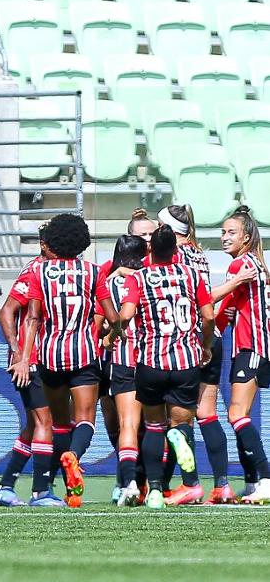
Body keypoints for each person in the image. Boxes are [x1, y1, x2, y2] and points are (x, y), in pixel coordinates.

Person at [9, 214, 121, 507]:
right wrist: (116, 331)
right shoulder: (93, 272)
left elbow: (33, 318)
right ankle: (73, 456)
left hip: (50, 357)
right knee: (84, 421)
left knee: (57, 423)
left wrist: (23, 357)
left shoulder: (40, 273)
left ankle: (48, 488)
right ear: (81, 240)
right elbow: (111, 315)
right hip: (84, 354)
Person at [157, 205, 256, 505]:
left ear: (171, 231)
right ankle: (222, 485)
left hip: (187, 338)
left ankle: (185, 484)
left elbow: (192, 296)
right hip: (210, 337)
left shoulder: (176, 256)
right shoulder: (199, 253)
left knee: (177, 419)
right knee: (207, 414)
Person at [111, 225, 215, 509]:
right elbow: (208, 316)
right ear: (175, 250)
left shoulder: (140, 278)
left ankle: (155, 490)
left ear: (150, 251)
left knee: (153, 426)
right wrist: (205, 345)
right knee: (182, 424)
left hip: (151, 362)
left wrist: (115, 331)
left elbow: (128, 313)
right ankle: (189, 479)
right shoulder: (192, 275)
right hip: (186, 359)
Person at [0, 223, 65, 507]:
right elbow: (6, 309)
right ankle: (40, 491)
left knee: (36, 425)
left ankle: (5, 486)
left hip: (50, 358)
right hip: (29, 360)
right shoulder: (34, 271)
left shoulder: (65, 272)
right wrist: (17, 351)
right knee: (46, 422)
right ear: (45, 245)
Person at [219, 206, 270, 504]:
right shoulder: (255, 264)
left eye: (231, 233)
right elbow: (231, 307)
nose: (225, 237)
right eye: (224, 232)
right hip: (253, 346)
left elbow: (218, 303)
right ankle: (252, 482)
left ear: (246, 237)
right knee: (242, 415)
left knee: (236, 414)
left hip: (250, 346)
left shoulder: (240, 266)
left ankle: (264, 477)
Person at [100, 235, 148, 506]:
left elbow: (99, 324)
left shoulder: (106, 283)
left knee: (123, 424)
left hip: (117, 359)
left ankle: (125, 482)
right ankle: (152, 485)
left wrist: (109, 335)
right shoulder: (151, 279)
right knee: (153, 425)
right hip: (151, 357)